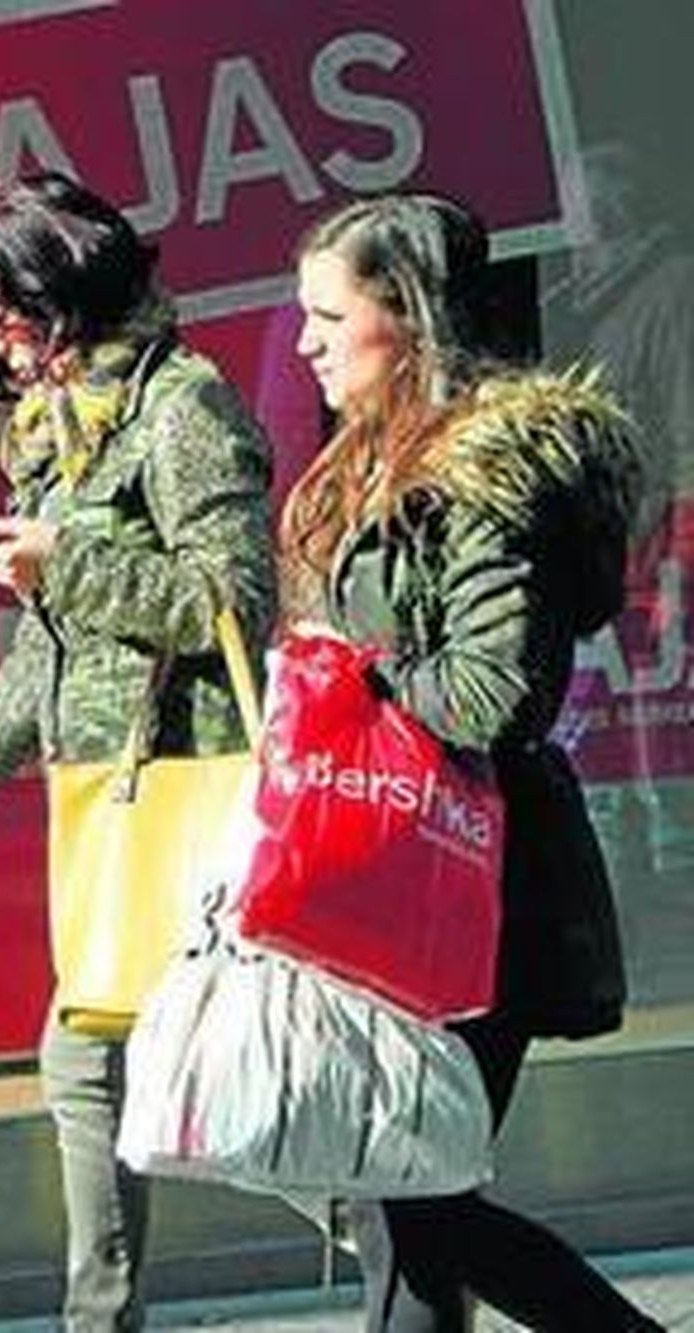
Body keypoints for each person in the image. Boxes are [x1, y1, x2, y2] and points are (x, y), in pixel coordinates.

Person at [0, 171, 276, 1330]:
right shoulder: (46, 440)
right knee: (92, 1065)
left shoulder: (180, 405)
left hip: (191, 795)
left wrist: (69, 564)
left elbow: (233, 608)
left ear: (68, 287)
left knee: (255, 1077)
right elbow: (43, 662)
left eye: (6, 314)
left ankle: (428, 1245)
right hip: (110, 805)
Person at [283, 192, 664, 1332]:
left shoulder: (481, 481)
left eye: (325, 314)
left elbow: (494, 692)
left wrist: (348, 683)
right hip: (395, 870)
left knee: (407, 1199)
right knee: (407, 1202)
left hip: (470, 878)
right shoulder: (372, 463)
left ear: (407, 319)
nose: (302, 339)